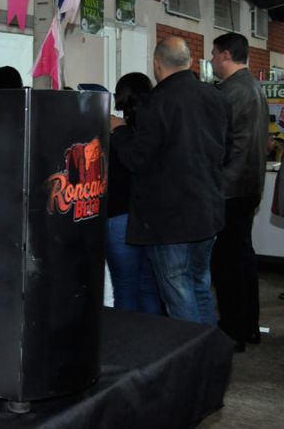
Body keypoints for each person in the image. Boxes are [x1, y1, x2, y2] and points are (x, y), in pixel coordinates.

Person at [110, 36, 231, 325]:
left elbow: (138, 159)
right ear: (190, 61)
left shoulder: (156, 102)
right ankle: (208, 349)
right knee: (200, 288)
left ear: (157, 64)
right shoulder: (217, 97)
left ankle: (192, 353)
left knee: (179, 296)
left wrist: (120, 131)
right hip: (208, 212)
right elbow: (226, 151)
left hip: (170, 220)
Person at [209, 32, 268, 352]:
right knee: (243, 258)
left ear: (226, 55)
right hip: (249, 184)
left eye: (214, 54)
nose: (212, 60)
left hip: (228, 187)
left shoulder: (228, 93)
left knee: (226, 263)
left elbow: (216, 143)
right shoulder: (255, 88)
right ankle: (249, 326)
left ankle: (232, 331)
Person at [106, 72, 161, 314]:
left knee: (125, 288)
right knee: (149, 286)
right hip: (150, 216)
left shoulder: (115, 133)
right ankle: (154, 336)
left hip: (118, 216)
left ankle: (129, 338)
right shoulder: (154, 130)